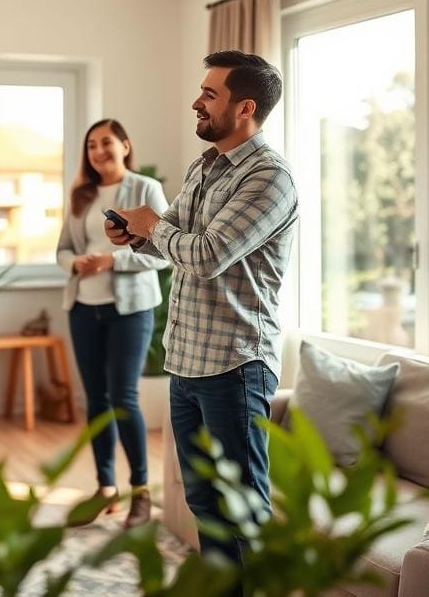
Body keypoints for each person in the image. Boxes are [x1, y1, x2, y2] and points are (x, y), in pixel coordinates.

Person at [105, 51, 298, 565]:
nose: (196, 102)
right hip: (187, 361)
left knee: (241, 507)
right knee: (205, 504)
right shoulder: (205, 166)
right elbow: (177, 247)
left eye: (210, 94)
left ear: (245, 108)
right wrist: (137, 237)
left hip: (235, 365)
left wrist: (152, 226)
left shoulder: (269, 177)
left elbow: (208, 255)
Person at [56, 118, 168, 528]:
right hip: (83, 308)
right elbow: (62, 250)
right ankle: (105, 488)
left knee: (123, 398)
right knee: (96, 401)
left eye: (106, 142)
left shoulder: (145, 189)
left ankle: (140, 492)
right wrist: (75, 263)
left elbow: (163, 253)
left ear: (125, 145)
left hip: (130, 310)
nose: (98, 151)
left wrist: (111, 260)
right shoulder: (80, 195)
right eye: (91, 145)